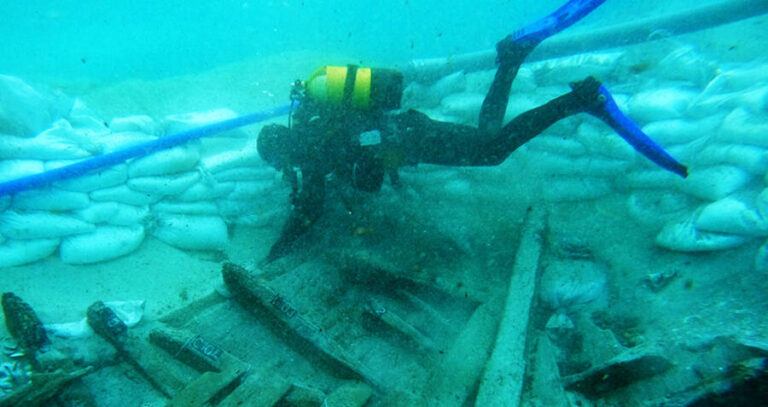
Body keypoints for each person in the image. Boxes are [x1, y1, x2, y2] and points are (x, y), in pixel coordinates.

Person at [257, 0, 688, 263]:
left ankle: (578, 97)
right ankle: (515, 60)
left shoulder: (310, 152)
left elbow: (312, 207)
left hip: (413, 138)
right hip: (409, 132)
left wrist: (278, 248)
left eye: (278, 162)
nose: (283, 167)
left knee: (490, 149)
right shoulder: (313, 128)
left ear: (282, 152)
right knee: (487, 138)